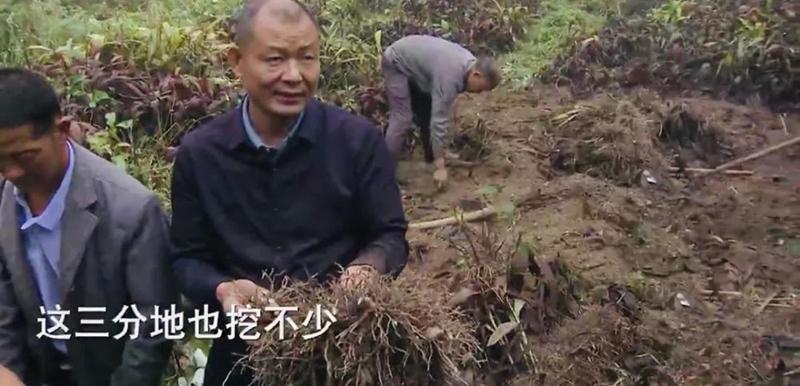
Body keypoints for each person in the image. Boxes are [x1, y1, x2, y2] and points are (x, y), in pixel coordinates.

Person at [168, 0, 409, 385]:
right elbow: (186, 259)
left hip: (341, 346)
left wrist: (368, 267)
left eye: (307, 58)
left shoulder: (357, 142)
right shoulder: (201, 156)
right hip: (246, 351)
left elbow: (390, 235)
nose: (294, 76)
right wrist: (224, 289)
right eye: (275, 59)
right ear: (236, 60)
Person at [0, 68, 180, 386]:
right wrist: (11, 372)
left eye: (25, 156)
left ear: (63, 130)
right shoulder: (5, 198)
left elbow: (154, 327)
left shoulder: (131, 208)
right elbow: (4, 308)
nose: (12, 172)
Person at [381, 34, 502, 189]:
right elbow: (439, 121)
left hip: (419, 68)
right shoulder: (450, 78)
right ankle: (383, 173)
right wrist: (441, 168)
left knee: (427, 111)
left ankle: (432, 157)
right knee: (402, 119)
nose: (478, 93)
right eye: (481, 89)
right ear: (476, 75)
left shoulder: (469, 64)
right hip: (396, 62)